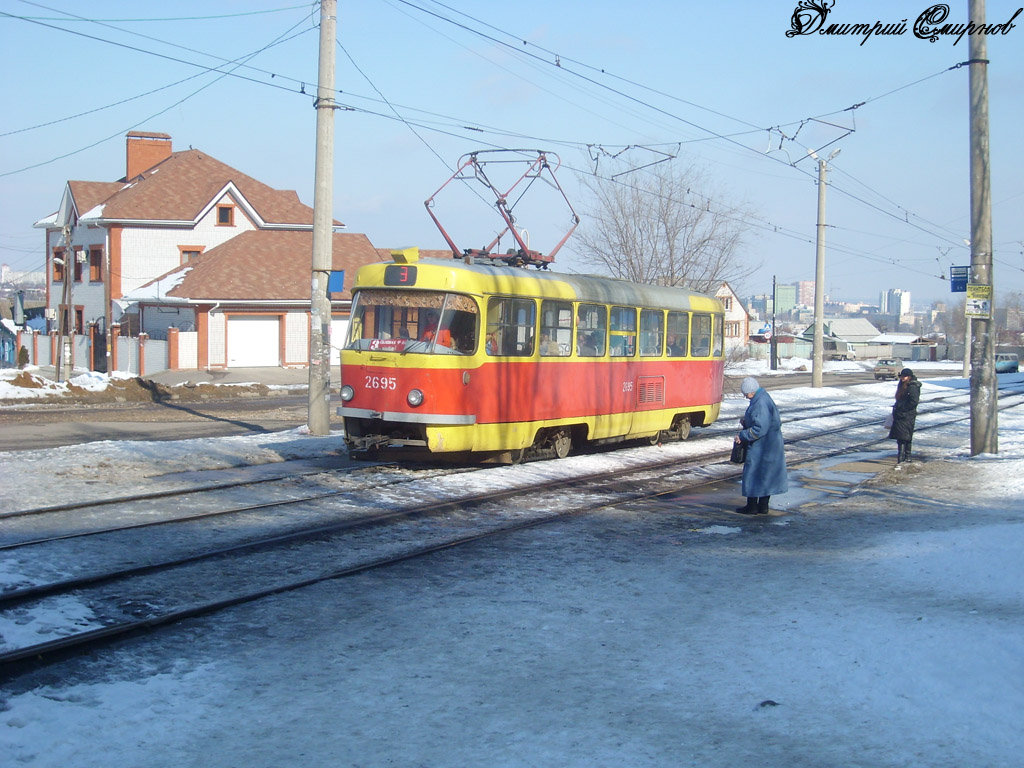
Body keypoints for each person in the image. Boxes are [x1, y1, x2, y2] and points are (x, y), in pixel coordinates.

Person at [734, 376, 788, 515]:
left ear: (751, 391)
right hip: (770, 444)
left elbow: (760, 428)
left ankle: (752, 507)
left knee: (754, 473)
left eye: (746, 394)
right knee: (765, 475)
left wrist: (743, 435)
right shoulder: (763, 398)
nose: (745, 396)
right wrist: (747, 422)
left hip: (762, 446)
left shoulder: (760, 403)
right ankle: (763, 506)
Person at [889, 367, 921, 464]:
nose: (902, 378)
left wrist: (903, 409)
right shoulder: (902, 384)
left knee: (904, 437)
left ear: (909, 377)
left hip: (906, 415)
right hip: (901, 415)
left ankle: (903, 457)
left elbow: (913, 401)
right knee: (902, 437)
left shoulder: (912, 386)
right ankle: (905, 457)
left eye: (905, 376)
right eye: (902, 376)